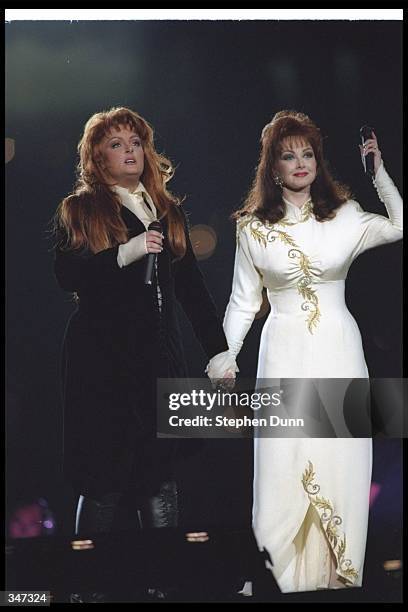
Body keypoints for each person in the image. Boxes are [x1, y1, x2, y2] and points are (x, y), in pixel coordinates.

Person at [207, 110, 403, 593]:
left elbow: (399, 224)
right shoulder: (252, 229)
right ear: (271, 167)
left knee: (344, 467)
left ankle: (339, 583)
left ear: (318, 161)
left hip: (340, 351)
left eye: (308, 154)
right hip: (284, 354)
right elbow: (241, 302)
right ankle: (274, 581)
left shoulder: (347, 216)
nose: (300, 163)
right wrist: (226, 355)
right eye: (288, 155)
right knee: (282, 472)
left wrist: (377, 172)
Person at [52, 107, 230, 565]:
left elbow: (192, 291)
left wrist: (219, 352)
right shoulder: (82, 208)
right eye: (116, 144)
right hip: (102, 364)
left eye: (135, 142)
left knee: (159, 473)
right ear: (97, 157)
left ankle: (163, 580)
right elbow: (67, 274)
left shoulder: (166, 212)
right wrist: (124, 253)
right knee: (105, 478)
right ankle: (85, 585)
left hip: (158, 358)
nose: (129, 151)